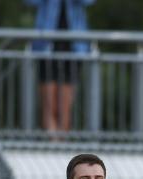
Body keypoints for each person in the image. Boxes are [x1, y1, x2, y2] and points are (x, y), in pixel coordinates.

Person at [27, 0, 94, 132]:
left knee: (65, 106)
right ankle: (52, 143)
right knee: (48, 104)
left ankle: (61, 144)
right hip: (45, 44)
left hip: (74, 46)